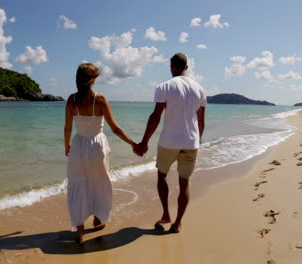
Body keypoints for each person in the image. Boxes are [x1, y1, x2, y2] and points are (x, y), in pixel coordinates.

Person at [64, 63, 137, 244]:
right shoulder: (101, 99)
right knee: (99, 182)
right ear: (93, 79)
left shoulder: (71, 100)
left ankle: (80, 231)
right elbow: (115, 128)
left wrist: (67, 146)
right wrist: (133, 143)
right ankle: (98, 219)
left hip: (79, 145)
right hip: (97, 145)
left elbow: (67, 128)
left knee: (79, 185)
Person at [135, 53, 206, 233]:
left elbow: (155, 117)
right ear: (186, 68)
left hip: (169, 141)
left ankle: (166, 214)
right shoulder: (199, 89)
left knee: (162, 175)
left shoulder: (164, 86)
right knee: (184, 183)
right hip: (191, 142)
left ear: (171, 67)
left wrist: (144, 142)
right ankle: (177, 224)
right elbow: (201, 122)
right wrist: (197, 140)